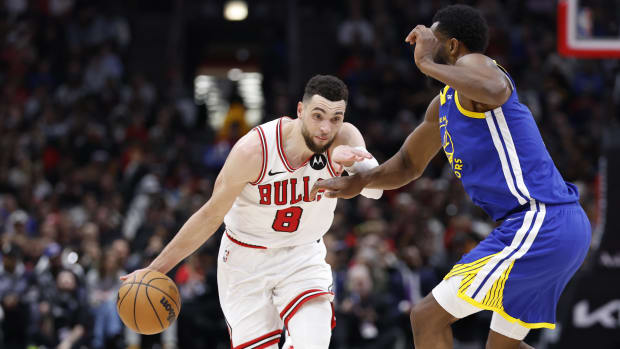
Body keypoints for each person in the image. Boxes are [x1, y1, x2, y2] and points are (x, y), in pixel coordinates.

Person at [311, 5, 590, 349]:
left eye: (432, 38)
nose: (422, 43)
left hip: (540, 220)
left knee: (426, 317)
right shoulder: (442, 106)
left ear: (454, 46)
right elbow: (407, 165)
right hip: (546, 225)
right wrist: (362, 181)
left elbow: (496, 89)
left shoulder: (477, 66)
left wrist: (427, 62)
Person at [121, 75, 383, 349]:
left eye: (336, 118)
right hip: (245, 260)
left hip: (301, 253)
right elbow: (210, 215)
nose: (326, 128)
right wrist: (155, 269)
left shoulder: (345, 138)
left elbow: (375, 191)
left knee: (314, 341)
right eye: (318, 116)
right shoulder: (254, 150)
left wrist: (355, 170)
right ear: (300, 110)